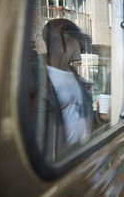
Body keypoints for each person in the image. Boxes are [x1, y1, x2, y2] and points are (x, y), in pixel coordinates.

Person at [31, 19, 94, 160]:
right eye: (76, 41)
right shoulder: (34, 76)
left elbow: (81, 114)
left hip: (84, 158)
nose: (80, 47)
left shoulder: (76, 76)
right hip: (60, 164)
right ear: (62, 42)